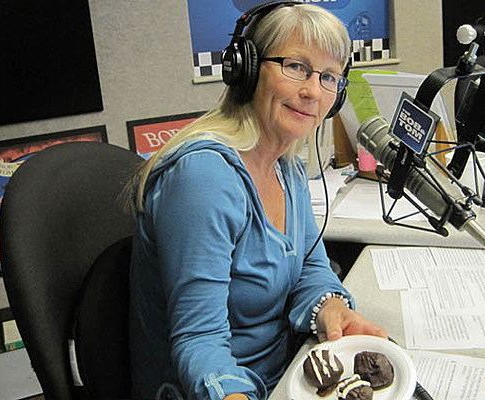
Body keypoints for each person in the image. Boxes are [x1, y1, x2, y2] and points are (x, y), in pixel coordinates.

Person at [127, 3, 387, 400]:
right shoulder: (204, 179)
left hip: (286, 376)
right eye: (296, 66)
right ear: (246, 70)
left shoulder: (287, 166)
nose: (312, 91)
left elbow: (310, 267)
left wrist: (330, 308)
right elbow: (199, 339)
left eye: (328, 77)